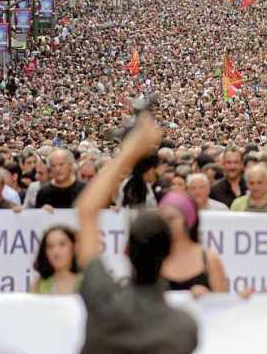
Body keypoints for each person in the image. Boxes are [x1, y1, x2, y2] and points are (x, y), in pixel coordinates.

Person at [75, 114, 198, 354]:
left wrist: (129, 152)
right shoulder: (184, 328)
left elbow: (86, 211)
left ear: (125, 249)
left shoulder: (103, 299)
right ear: (170, 254)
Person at [159, 191, 228, 296]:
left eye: (171, 219)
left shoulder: (209, 258)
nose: (166, 225)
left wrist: (208, 296)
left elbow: (224, 303)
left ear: (187, 220)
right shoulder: (154, 258)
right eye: (162, 220)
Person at [31, 225, 82, 294]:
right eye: (50, 246)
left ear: (73, 247)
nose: (56, 251)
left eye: (62, 244)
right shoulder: (37, 286)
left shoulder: (87, 282)